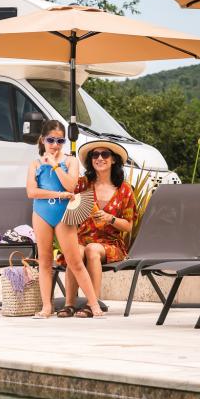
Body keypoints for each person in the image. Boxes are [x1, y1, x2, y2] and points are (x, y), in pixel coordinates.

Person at [26, 120, 104, 318]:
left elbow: (70, 186)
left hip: (63, 214)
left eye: (60, 141)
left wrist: (55, 166)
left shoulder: (70, 161)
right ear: (42, 140)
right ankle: (46, 306)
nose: (55, 145)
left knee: (74, 261)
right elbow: (31, 192)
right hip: (41, 213)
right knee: (44, 261)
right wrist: (58, 195)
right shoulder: (35, 164)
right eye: (51, 140)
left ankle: (93, 303)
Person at [58, 140, 136, 318]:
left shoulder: (124, 189)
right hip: (83, 238)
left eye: (105, 154)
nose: (99, 158)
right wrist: (63, 163)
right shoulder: (83, 184)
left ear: (113, 160)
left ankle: (91, 303)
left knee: (92, 250)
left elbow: (128, 226)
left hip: (111, 243)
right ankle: (69, 304)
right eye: (95, 155)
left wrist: (110, 218)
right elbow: (65, 189)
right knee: (75, 251)